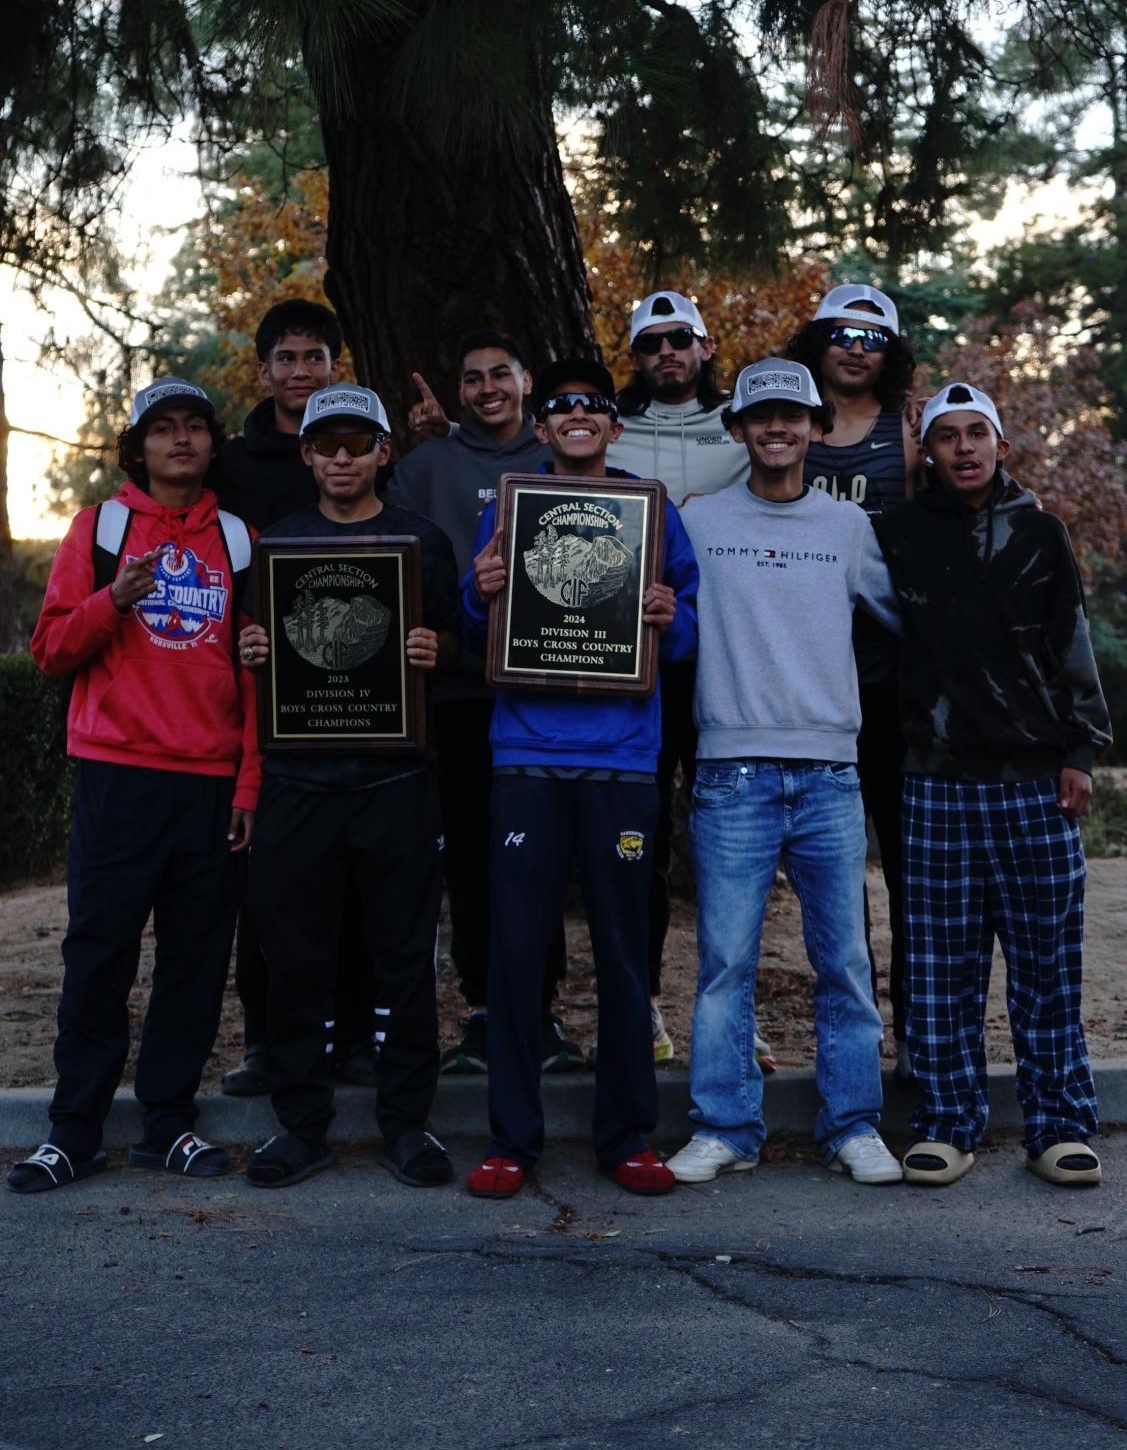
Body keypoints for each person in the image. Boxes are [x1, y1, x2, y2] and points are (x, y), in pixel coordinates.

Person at [9, 379, 260, 1193]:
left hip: (209, 782)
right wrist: (112, 600)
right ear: (137, 448)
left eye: (194, 427)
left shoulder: (237, 536)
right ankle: (72, 1130)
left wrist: (248, 784)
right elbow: (50, 650)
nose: (180, 441)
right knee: (98, 958)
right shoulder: (102, 527)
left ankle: (167, 1125)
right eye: (163, 430)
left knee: (193, 964)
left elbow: (257, 673)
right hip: (119, 776)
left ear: (211, 443)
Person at [462, 358, 699, 1199]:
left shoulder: (650, 515)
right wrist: (478, 588)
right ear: (542, 425)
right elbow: (473, 614)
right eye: (560, 406)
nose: (575, 416)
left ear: (613, 424)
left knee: (624, 954)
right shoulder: (507, 507)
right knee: (517, 955)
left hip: (623, 761)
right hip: (524, 754)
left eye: (591, 406)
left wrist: (670, 622)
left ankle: (626, 1134)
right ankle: (511, 1141)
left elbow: (687, 631)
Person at [668, 358, 903, 1187]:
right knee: (725, 962)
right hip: (730, 770)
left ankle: (853, 1125)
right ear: (737, 427)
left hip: (830, 774)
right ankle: (725, 1126)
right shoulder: (695, 521)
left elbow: (908, 620)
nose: (776, 429)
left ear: (812, 428)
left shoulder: (846, 530)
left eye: (791, 416)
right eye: (760, 416)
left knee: (841, 959)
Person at [872, 382, 1111, 1187]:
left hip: (1033, 778)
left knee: (1046, 964)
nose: (965, 449)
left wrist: (1079, 750)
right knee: (941, 964)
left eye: (979, 434)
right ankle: (947, 1122)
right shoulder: (896, 534)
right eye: (948, 437)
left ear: (1000, 446)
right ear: (928, 453)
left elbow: (1069, 644)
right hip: (936, 781)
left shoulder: (1040, 533)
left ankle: (1059, 1126)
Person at [238, 384, 461, 1190]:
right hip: (299, 783)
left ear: (381, 452)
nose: (340, 457)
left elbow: (459, 648)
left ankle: (408, 1125)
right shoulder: (277, 545)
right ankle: (302, 1126)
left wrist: (441, 650)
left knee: (403, 963)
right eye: (326, 444)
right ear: (306, 454)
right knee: (297, 961)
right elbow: (252, 645)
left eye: (355, 444)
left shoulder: (422, 542)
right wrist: (254, 645)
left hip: (397, 780)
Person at [386, 331, 579, 1074]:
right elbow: (397, 568)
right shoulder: (425, 466)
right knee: (469, 855)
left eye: (501, 374)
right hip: (461, 695)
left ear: (526, 383)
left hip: (544, 694)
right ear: (457, 391)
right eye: (472, 378)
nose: (487, 387)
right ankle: (479, 1011)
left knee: (542, 854)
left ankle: (542, 1011)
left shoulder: (557, 460)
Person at [607, 290, 774, 1068]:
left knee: (731, 837)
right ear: (635, 358)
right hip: (638, 660)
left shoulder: (744, 431)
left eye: (680, 340)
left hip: (733, 654)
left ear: (706, 347)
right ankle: (638, 1006)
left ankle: (736, 1009)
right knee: (642, 834)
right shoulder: (609, 431)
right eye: (650, 344)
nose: (666, 353)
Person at [217, 298, 377, 1095]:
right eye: (286, 358)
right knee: (269, 891)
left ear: (334, 367)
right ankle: (266, 1041)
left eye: (315, 357)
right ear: (264, 369)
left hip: (359, 689)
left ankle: (355, 1039)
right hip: (262, 687)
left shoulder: (363, 450)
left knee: (353, 886)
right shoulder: (232, 462)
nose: (300, 370)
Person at [787, 283, 920, 1080]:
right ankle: (851, 1036)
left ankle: (915, 1029)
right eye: (840, 332)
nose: (854, 346)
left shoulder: (906, 431)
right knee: (831, 875)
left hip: (888, 670)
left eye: (871, 337)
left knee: (905, 862)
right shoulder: (788, 425)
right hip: (802, 664)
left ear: (890, 351)